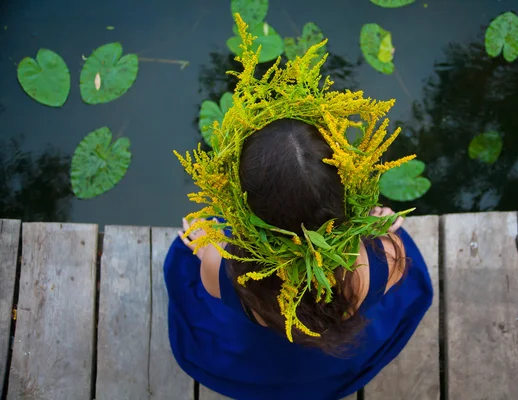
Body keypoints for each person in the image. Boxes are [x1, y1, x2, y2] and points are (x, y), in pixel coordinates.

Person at [165, 14, 433, 400]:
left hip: (259, 351)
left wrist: (202, 237)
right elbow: (393, 253)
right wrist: (382, 223)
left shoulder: (218, 267)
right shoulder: (385, 259)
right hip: (336, 354)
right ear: (345, 194)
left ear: (243, 204)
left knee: (184, 252)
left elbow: (203, 249)